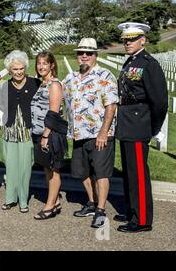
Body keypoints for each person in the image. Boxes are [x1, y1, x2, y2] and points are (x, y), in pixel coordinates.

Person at [115, 22, 168, 233]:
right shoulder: (130, 62)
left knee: (138, 174)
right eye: (125, 40)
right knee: (129, 172)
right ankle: (132, 210)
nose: (127, 43)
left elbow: (159, 101)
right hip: (127, 122)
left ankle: (143, 219)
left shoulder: (149, 64)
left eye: (132, 39)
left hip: (138, 124)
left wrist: (152, 127)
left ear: (142, 40)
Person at [63, 38, 119, 228]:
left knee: (101, 173)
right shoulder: (70, 78)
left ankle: (101, 210)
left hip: (99, 134)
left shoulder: (105, 75)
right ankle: (92, 203)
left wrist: (104, 132)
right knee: (82, 172)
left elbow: (111, 105)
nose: (84, 56)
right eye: (81, 53)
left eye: (89, 53)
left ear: (96, 55)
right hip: (78, 134)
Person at [0, 50, 40, 213]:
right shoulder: (5, 86)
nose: (18, 72)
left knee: (25, 168)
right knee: (10, 167)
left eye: (21, 68)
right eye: (14, 69)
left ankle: (23, 200)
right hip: (9, 131)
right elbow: (1, 107)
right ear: (10, 70)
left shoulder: (34, 84)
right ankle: (10, 198)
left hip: (26, 132)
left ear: (26, 68)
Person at [31, 51, 67, 220]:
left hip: (50, 134)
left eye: (45, 63)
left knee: (53, 170)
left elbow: (53, 112)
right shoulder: (42, 84)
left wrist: (46, 135)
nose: (41, 67)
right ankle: (56, 200)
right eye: (39, 63)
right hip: (39, 133)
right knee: (47, 169)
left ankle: (50, 206)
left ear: (52, 65)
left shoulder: (54, 85)